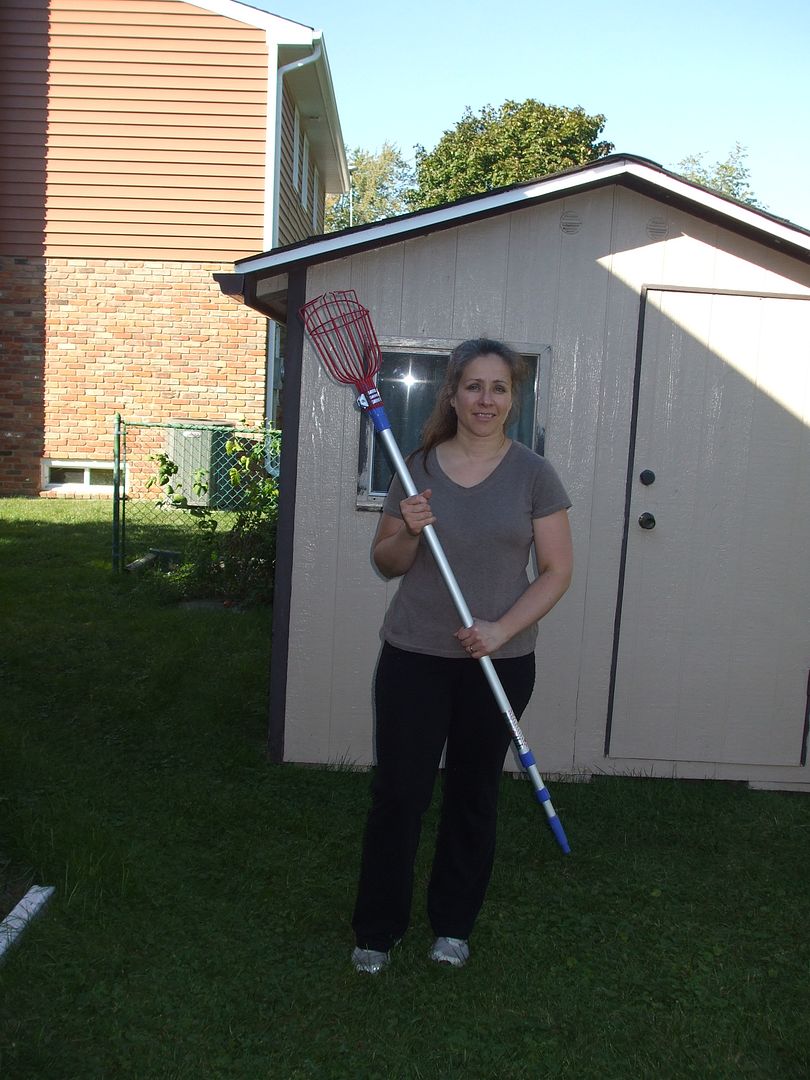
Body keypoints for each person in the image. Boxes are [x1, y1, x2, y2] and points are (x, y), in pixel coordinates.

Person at [351, 338, 573, 974]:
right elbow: (385, 562)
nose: (485, 399)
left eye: (498, 388)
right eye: (472, 386)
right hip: (415, 654)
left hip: (499, 660)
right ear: (452, 394)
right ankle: (377, 928)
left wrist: (502, 630)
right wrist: (410, 530)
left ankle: (452, 924)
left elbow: (556, 571)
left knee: (473, 791)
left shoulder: (534, 474)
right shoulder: (414, 464)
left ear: (512, 398)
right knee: (400, 792)